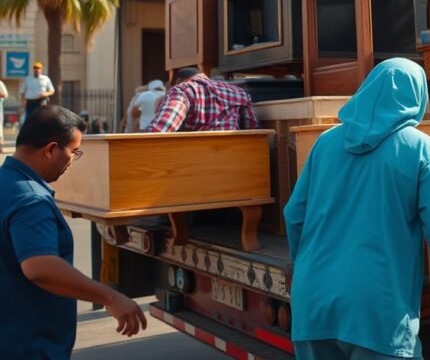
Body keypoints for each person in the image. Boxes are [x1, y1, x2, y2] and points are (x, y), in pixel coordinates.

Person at [284, 58, 430, 360]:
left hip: (312, 304)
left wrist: (300, 264)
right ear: (417, 97)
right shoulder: (421, 149)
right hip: (376, 312)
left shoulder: (325, 143)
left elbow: (294, 215)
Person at [0, 105, 147, 359]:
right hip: (28, 345)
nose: (72, 161)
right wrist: (110, 297)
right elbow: (40, 266)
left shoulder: (6, 182)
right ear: (51, 149)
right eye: (74, 152)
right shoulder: (31, 199)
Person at [147, 68, 258, 133]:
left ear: (179, 81)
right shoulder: (239, 92)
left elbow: (161, 129)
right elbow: (252, 129)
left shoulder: (183, 89)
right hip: (236, 158)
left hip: (200, 160)